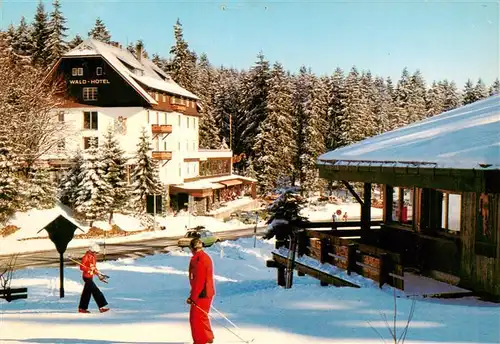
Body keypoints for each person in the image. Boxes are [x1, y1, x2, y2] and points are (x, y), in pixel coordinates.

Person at [187, 238, 215, 344]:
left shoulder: (200, 260)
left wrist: (193, 297)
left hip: (202, 293)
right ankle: (207, 337)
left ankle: (200, 340)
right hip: (205, 291)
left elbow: (199, 281)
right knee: (202, 316)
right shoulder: (203, 257)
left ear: (192, 248)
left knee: (195, 318)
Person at [78, 243, 109, 314]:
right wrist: (87, 269)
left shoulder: (93, 257)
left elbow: (93, 268)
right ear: (92, 250)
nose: (96, 254)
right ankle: (101, 307)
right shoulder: (86, 257)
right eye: (95, 252)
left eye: (96, 252)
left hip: (90, 277)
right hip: (86, 277)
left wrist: (99, 274)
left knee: (87, 293)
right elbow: (81, 267)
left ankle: (82, 308)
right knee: (96, 291)